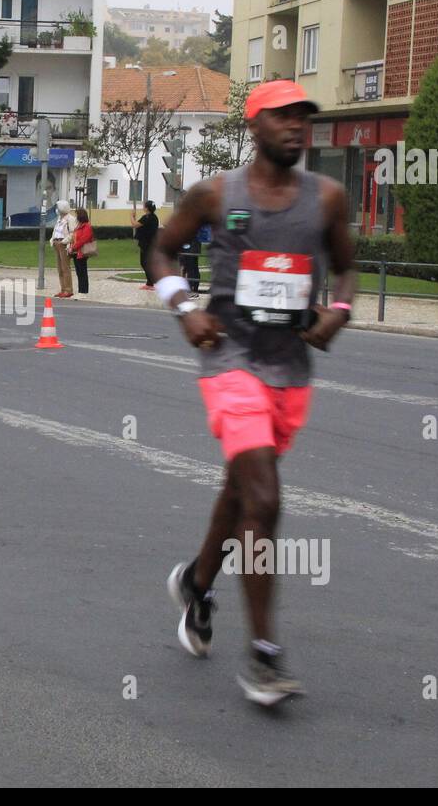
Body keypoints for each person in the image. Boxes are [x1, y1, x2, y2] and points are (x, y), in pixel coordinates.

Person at [150, 79, 355, 707]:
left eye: (304, 118)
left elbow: (346, 267)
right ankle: (265, 657)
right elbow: (160, 249)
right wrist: (183, 306)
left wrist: (338, 311)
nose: (297, 127)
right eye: (283, 116)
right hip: (230, 362)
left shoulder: (327, 199)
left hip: (289, 371)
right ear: (254, 126)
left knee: (241, 492)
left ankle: (196, 582)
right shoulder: (215, 193)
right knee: (264, 499)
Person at [131, 200, 160, 290]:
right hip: (152, 243)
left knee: (144, 263)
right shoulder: (155, 217)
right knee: (147, 263)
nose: (143, 207)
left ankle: (151, 283)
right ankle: (150, 282)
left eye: (144, 206)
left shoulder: (147, 217)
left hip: (147, 244)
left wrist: (132, 216)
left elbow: (135, 225)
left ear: (147, 208)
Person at [50, 199, 76, 299]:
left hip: (64, 244)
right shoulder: (59, 218)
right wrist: (52, 239)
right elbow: (55, 230)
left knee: (65, 268)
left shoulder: (70, 219)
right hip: (57, 243)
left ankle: (68, 290)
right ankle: (63, 288)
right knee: (59, 268)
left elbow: (72, 233)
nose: (57, 209)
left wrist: (64, 241)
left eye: (58, 207)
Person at [66, 207, 94, 299]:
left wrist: (73, 247)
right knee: (79, 272)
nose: (76, 217)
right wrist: (71, 247)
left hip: (82, 252)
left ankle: (84, 291)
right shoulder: (79, 226)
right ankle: (80, 290)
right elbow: (74, 238)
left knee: (82, 272)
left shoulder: (87, 226)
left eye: (77, 215)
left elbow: (83, 240)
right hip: (76, 252)